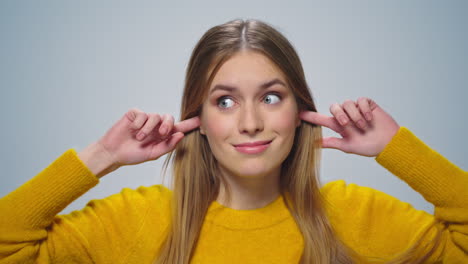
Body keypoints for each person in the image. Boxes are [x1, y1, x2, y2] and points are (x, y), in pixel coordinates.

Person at [0, 19, 466, 264]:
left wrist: (398, 149)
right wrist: (100, 156)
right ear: (196, 118)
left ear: (300, 108)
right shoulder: (136, 220)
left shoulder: (356, 215)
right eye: (224, 102)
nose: (249, 123)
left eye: (270, 97)